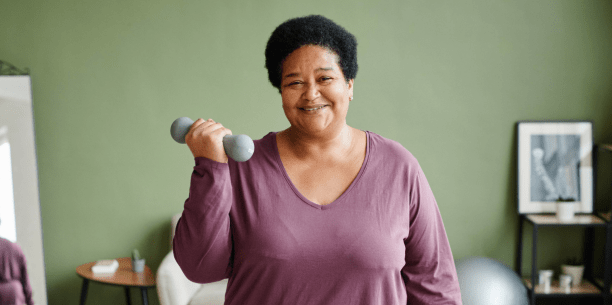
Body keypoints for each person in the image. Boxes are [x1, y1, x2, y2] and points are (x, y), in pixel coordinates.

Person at [173, 15, 462, 304]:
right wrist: (209, 168)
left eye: (325, 78)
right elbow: (200, 268)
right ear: (282, 92)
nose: (311, 94)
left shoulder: (399, 167)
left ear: (349, 85)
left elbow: (436, 290)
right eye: (294, 82)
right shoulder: (242, 168)